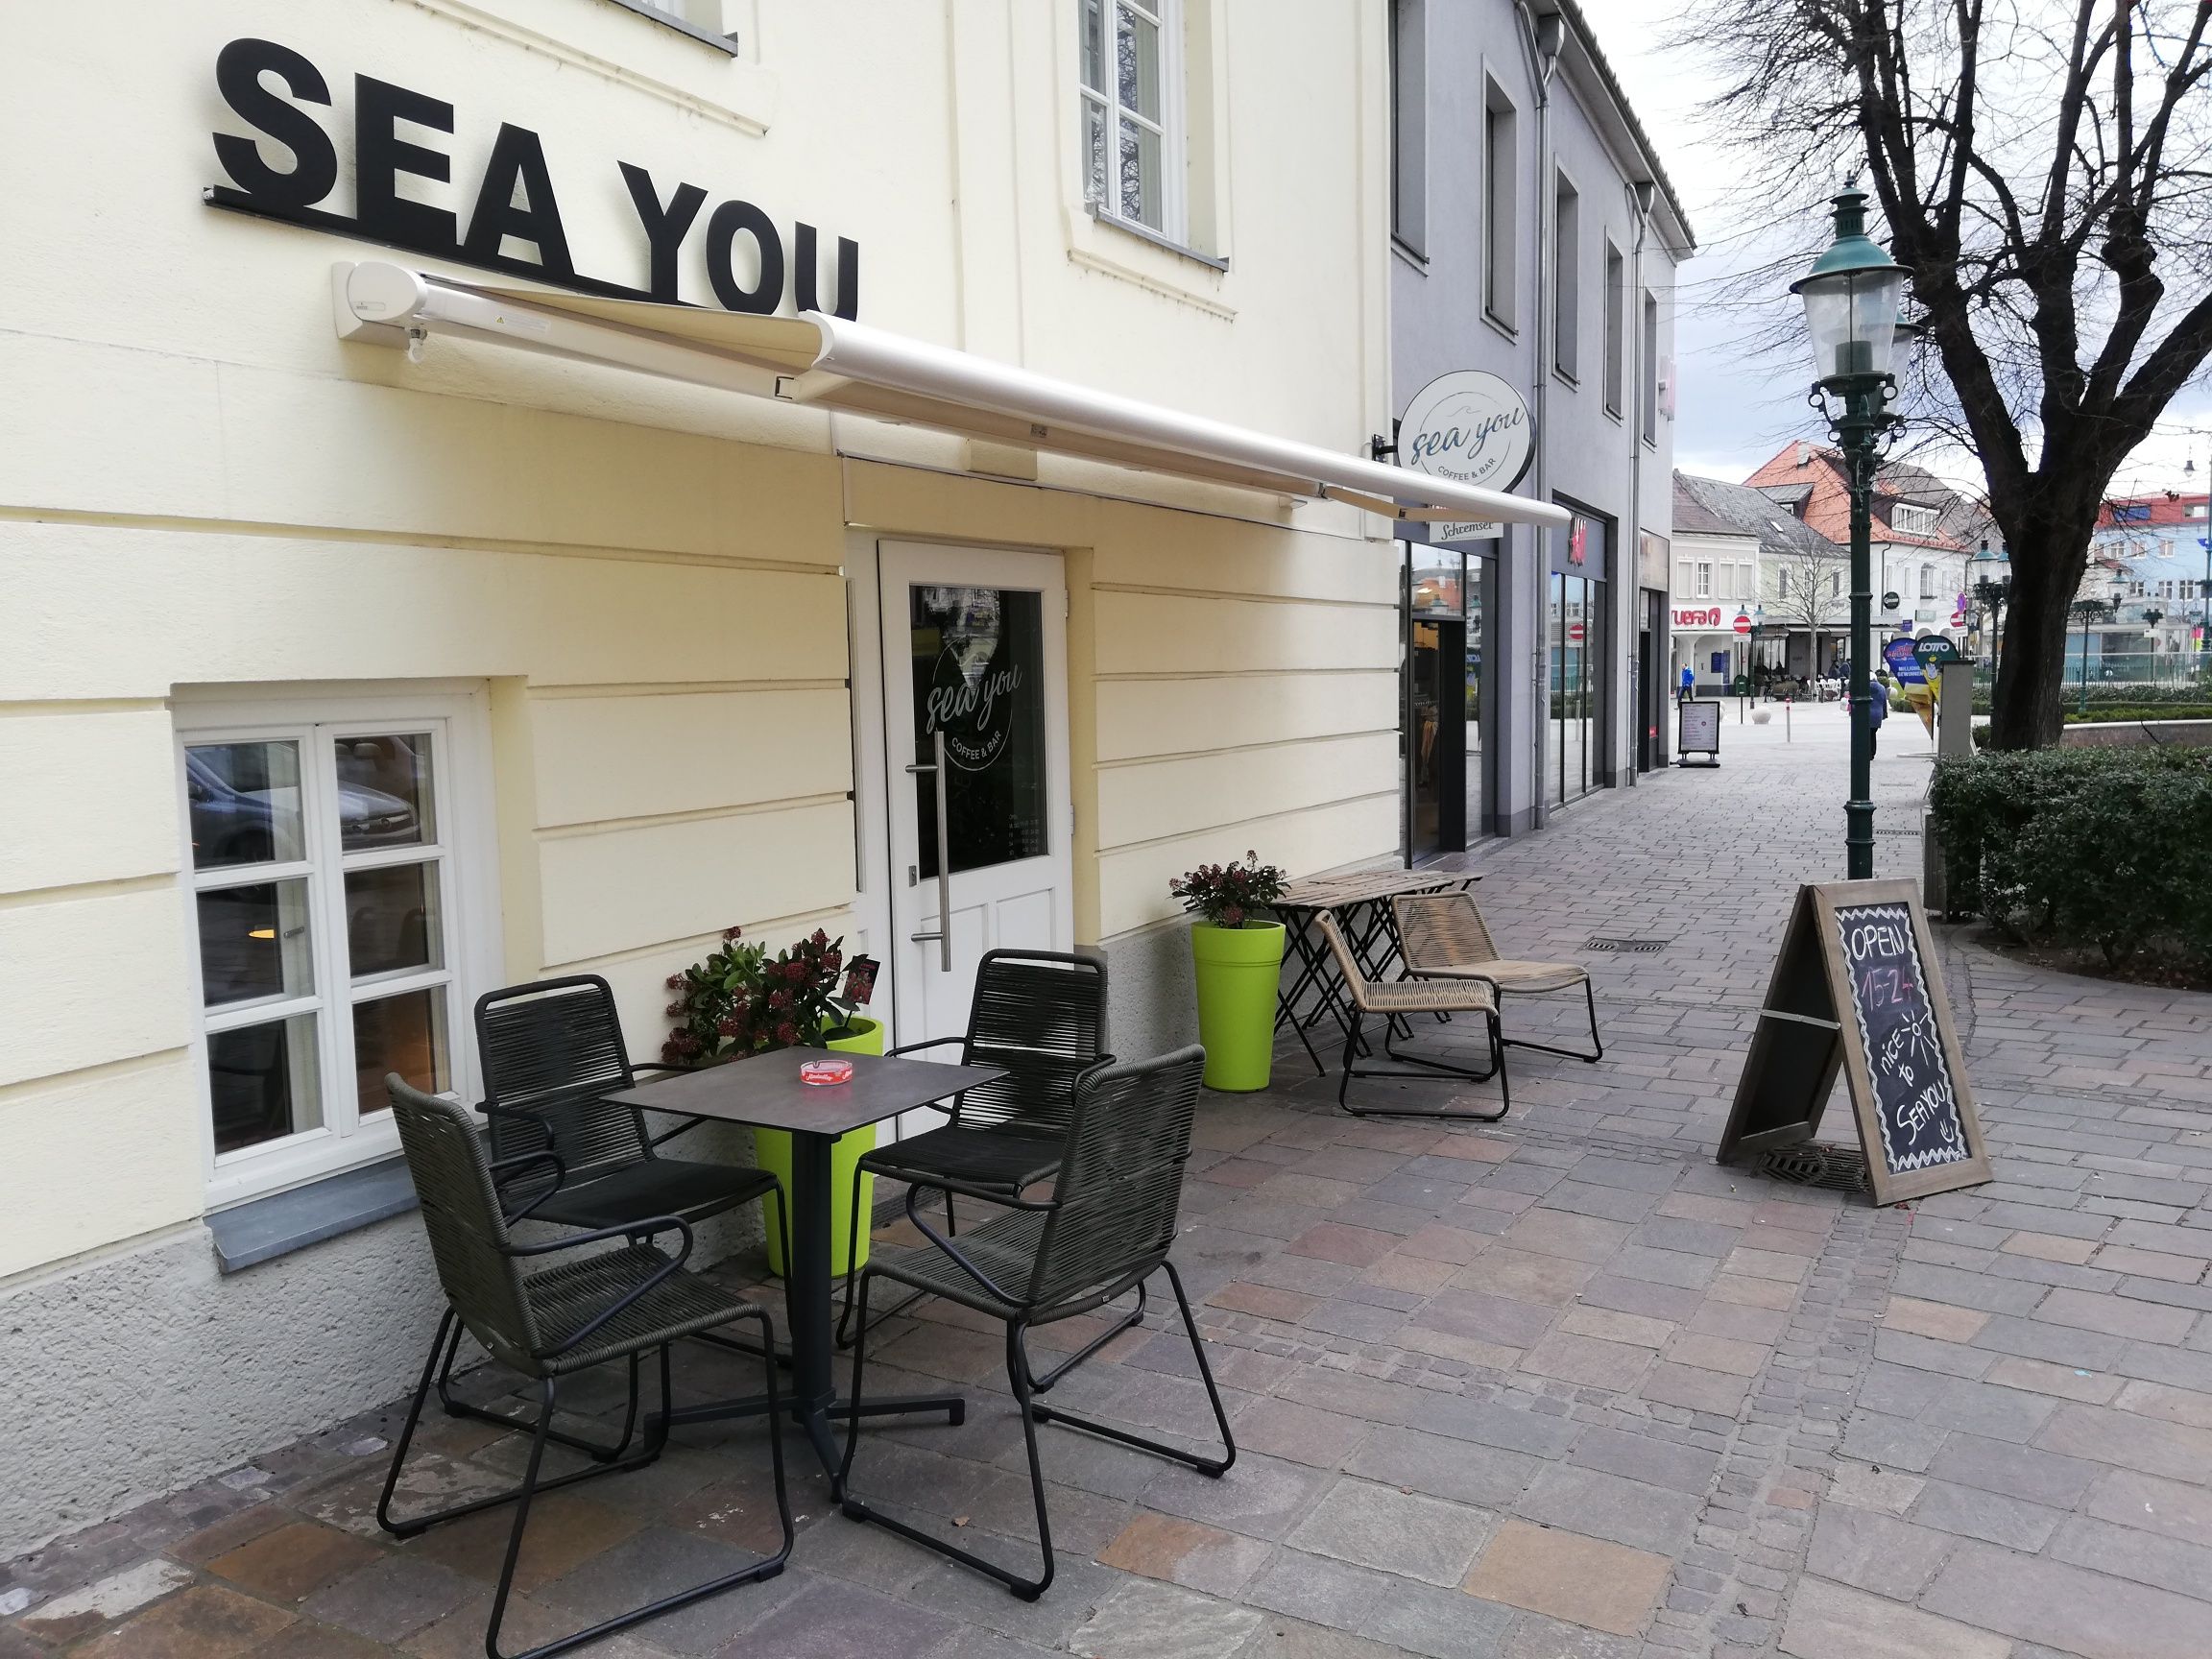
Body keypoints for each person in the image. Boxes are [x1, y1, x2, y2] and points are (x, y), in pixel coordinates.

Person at [1867, 669, 1889, 756]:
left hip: (1867, 713)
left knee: (1867, 734)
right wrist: (1885, 714)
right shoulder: (1882, 688)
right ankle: (1872, 752)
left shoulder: (1865, 687)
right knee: (1873, 733)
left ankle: (1867, 752)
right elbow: (1884, 702)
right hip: (1877, 714)